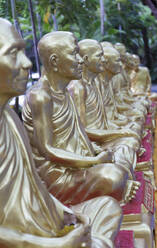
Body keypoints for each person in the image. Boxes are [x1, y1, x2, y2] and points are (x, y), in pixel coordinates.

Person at [0, 16, 122, 248]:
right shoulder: (39, 96)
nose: (27, 63)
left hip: (40, 218)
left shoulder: (9, 118)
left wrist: (67, 214)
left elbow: (33, 184)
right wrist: (49, 245)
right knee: (111, 178)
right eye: (13, 53)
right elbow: (48, 152)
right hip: (25, 239)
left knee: (107, 209)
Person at [22, 31, 139, 206]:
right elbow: (48, 150)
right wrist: (93, 161)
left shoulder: (62, 89)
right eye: (73, 53)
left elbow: (79, 131)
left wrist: (93, 151)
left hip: (77, 162)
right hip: (58, 175)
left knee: (121, 155)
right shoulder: (40, 96)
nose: (80, 60)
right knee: (113, 175)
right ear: (54, 61)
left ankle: (117, 186)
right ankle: (115, 189)